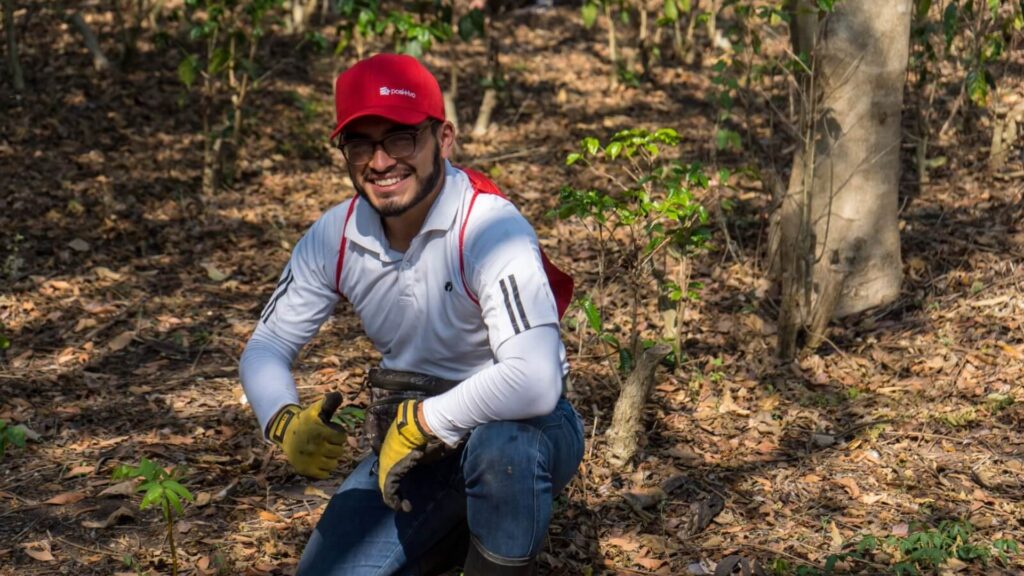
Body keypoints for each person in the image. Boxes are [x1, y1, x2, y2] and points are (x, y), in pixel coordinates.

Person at [239, 52, 584, 576]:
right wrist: (282, 421)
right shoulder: (335, 236)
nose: (380, 162)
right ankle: (451, 535)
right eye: (361, 144)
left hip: (523, 427)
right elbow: (265, 347)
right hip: (418, 443)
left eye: (401, 138)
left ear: (443, 139)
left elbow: (535, 382)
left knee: (501, 448)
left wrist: (428, 419)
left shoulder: (490, 228)